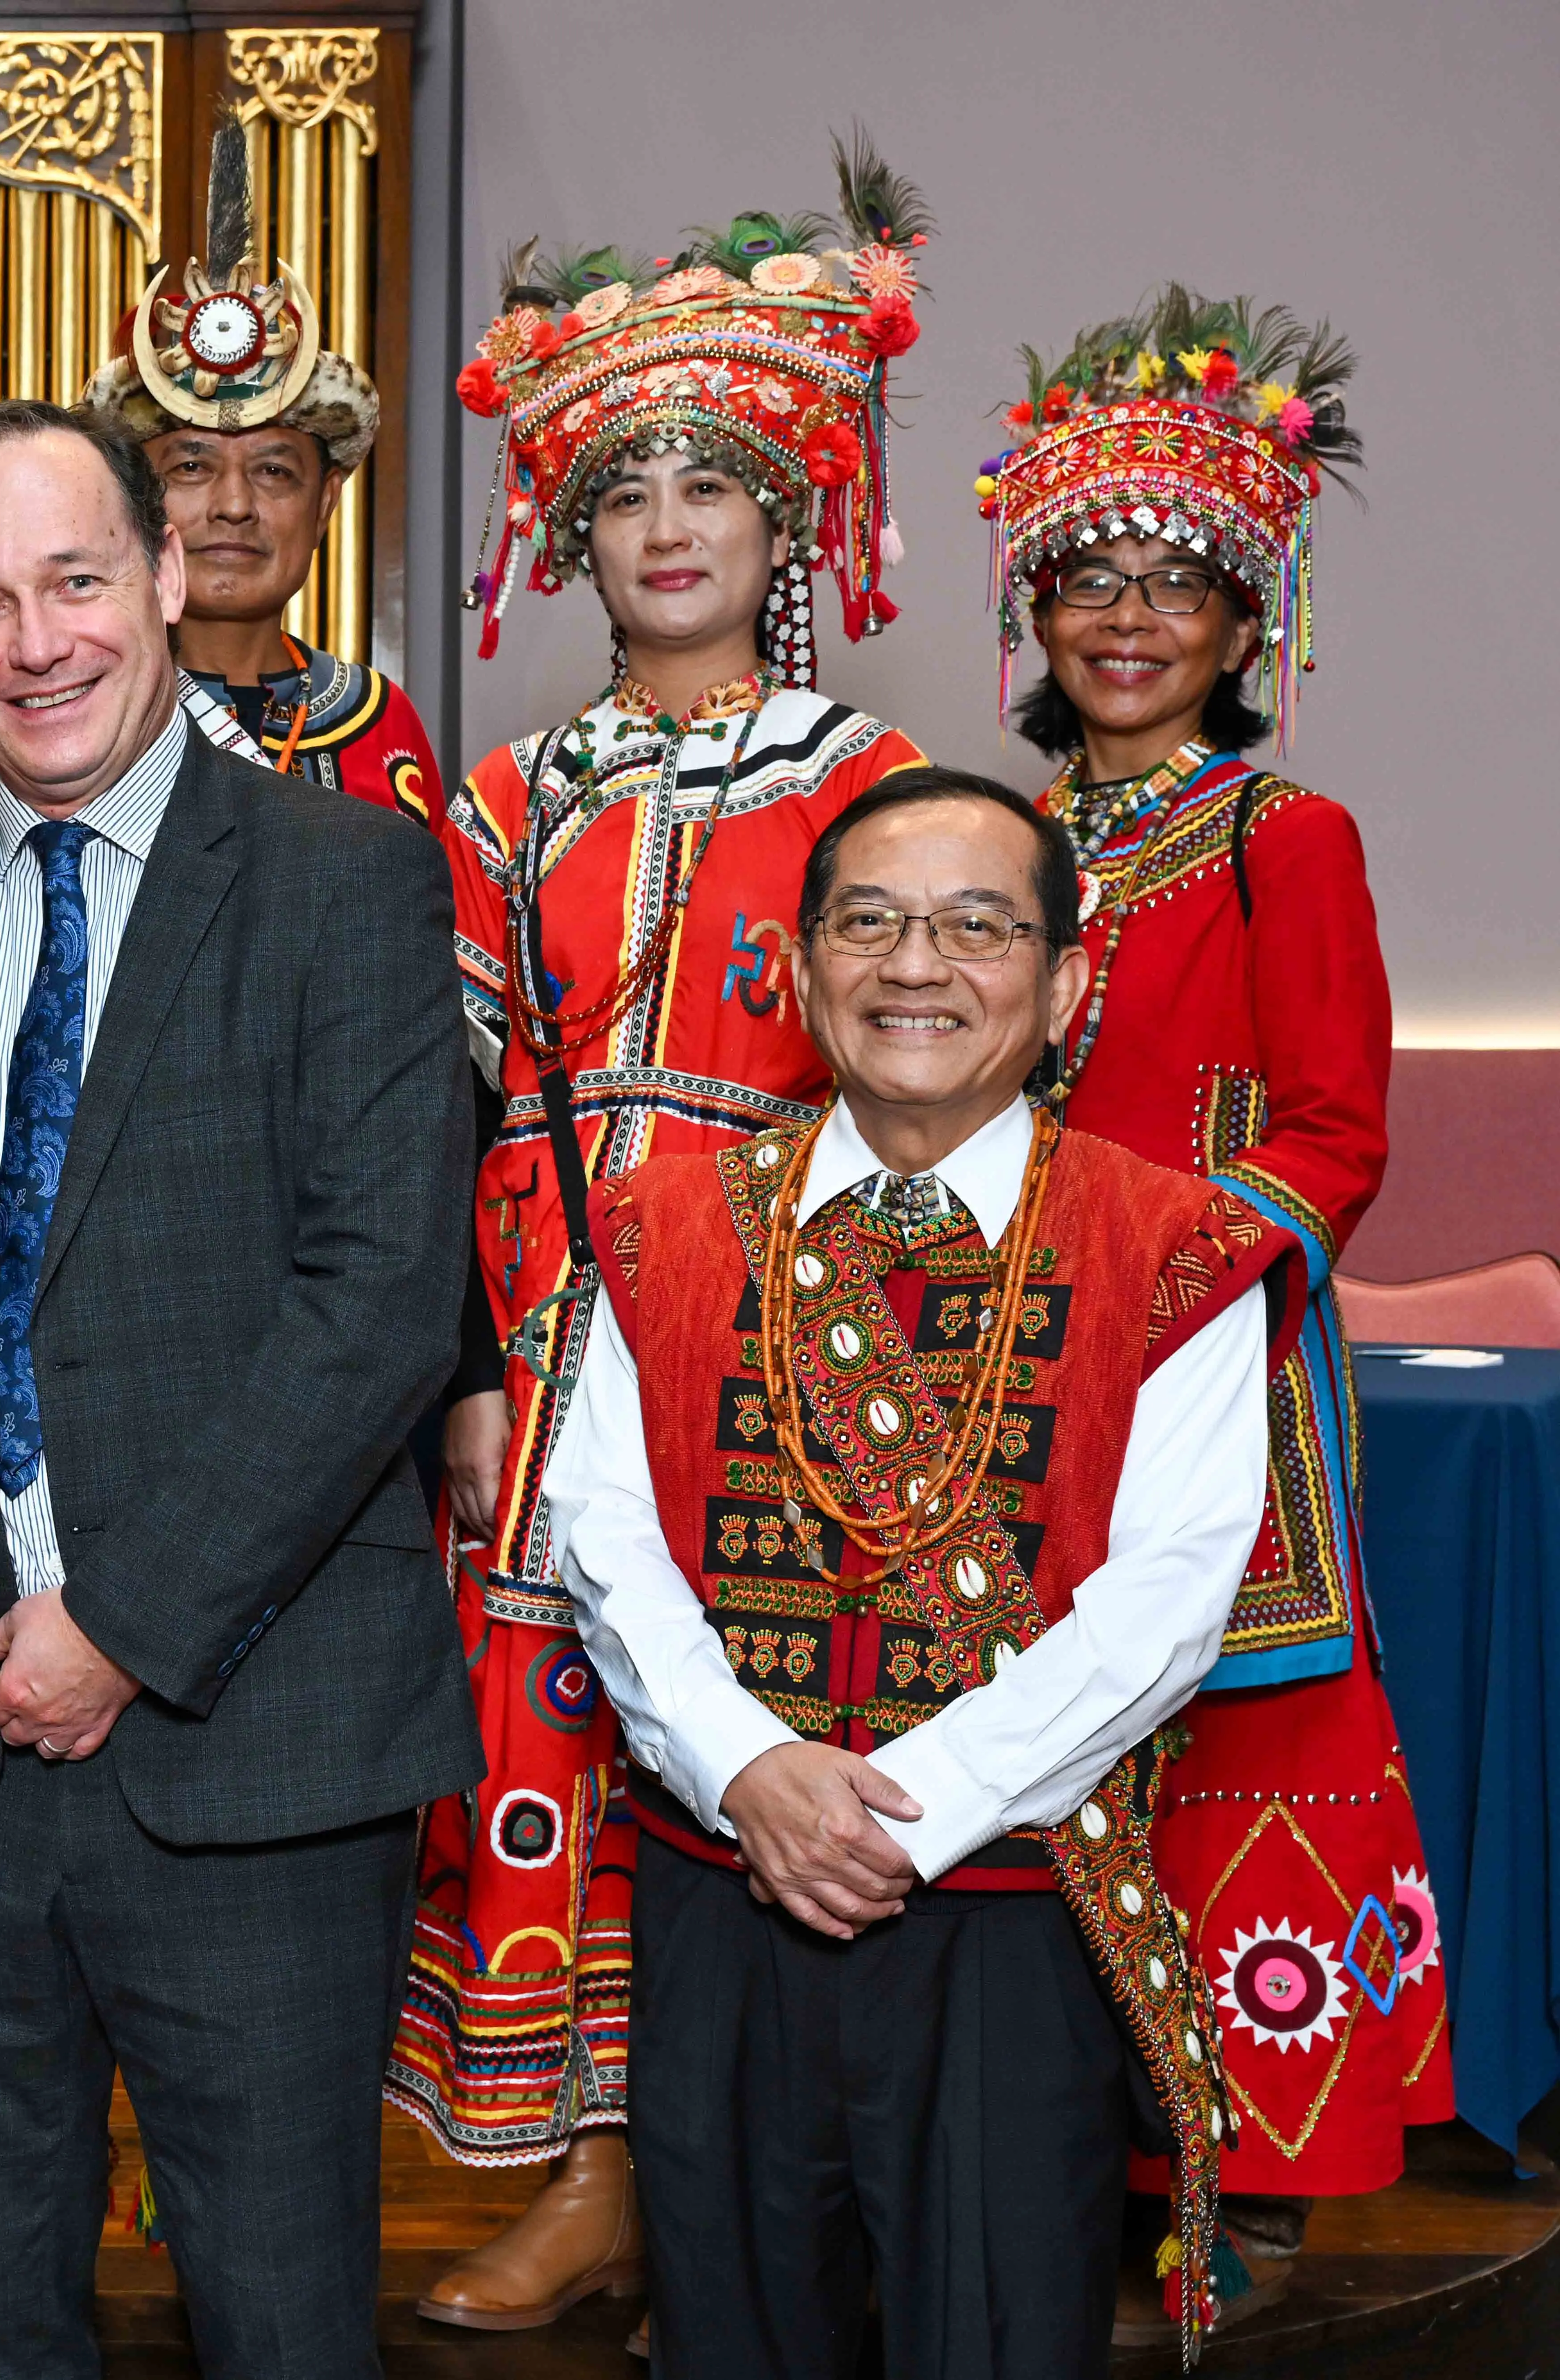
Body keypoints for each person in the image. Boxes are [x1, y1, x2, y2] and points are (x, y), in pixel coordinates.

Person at [0, 395, 478, 2380]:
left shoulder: (350, 879)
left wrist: (121, 1627)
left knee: (282, 2310)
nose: (33, 641)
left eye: (69, 581)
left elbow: (383, 1299)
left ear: (158, 573)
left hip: (258, 1735)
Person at [391, 144, 943, 2335]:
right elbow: (433, 1100)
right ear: (570, 533)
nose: (670, 525)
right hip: (543, 1321)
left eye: (711, 484)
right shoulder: (507, 799)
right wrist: (458, 1364)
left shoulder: (872, 778)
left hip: (795, 1318)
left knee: (767, 1727)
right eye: (625, 489)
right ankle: (592, 2174)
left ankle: (781, 2173)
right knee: (557, 1725)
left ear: (787, 517)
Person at [554, 764, 1281, 2377]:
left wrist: (902, 1808)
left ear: (1064, 982)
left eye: (976, 926)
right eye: (866, 924)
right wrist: (749, 1769)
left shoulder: (1173, 1246)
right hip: (719, 1879)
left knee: (997, 2333)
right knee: (728, 2325)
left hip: (1007, 1907)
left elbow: (1164, 1601)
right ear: (800, 971)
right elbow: (601, 1536)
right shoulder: (656, 1222)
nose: (914, 966)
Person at [982, 290, 1444, 2336]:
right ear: (1036, 619)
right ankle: (1068, 2154)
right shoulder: (992, 845)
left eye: (1177, 588)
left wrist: (1159, 1264)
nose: (1127, 622)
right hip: (1006, 1380)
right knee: (1044, 1759)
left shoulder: (1287, 838)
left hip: (1215, 1372)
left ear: (1245, 629)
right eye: (1087, 581)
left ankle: (1254, 2179)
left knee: (1240, 1756)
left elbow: (1330, 1129)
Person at [0, 118, 434, 829]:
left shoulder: (382, 721)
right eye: (192, 465)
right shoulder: (41, 700)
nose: (235, 505)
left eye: (276, 471)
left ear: (327, 503)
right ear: (139, 510)